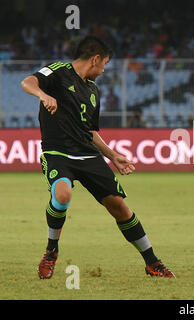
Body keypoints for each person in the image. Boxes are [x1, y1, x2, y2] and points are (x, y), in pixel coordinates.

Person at [21, 35, 175, 279]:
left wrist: (113, 156)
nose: (104, 70)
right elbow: (27, 82)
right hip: (57, 152)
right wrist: (43, 95)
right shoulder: (59, 71)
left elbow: (91, 132)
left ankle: (152, 262)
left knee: (120, 207)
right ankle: (51, 250)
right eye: (105, 64)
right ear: (95, 59)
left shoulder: (93, 91)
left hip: (88, 155)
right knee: (63, 194)